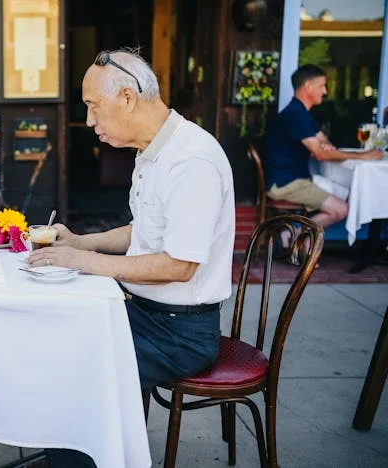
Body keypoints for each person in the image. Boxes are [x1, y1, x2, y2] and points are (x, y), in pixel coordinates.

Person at [26, 49, 235, 467]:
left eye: (92, 107)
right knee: (54, 336)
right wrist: (83, 243)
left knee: (69, 371)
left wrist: (85, 264)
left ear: (126, 97)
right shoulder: (156, 149)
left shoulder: (191, 159)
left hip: (180, 334)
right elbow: (146, 232)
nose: (89, 122)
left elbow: (179, 264)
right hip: (146, 313)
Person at [262, 64, 382, 248]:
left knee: (347, 193)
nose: (325, 91)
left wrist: (326, 145)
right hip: (285, 183)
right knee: (342, 209)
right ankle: (290, 237)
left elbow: (323, 142)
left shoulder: (302, 112)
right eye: (322, 86)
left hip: (295, 178)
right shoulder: (296, 115)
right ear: (308, 86)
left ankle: (303, 243)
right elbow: (320, 154)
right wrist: (364, 156)